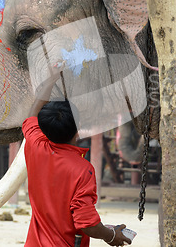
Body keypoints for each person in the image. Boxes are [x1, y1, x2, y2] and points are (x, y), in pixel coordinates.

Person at [23, 64, 131, 247]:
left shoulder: (35, 145)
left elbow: (32, 113)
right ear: (78, 129)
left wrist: (51, 79)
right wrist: (111, 235)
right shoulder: (83, 170)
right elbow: (87, 223)